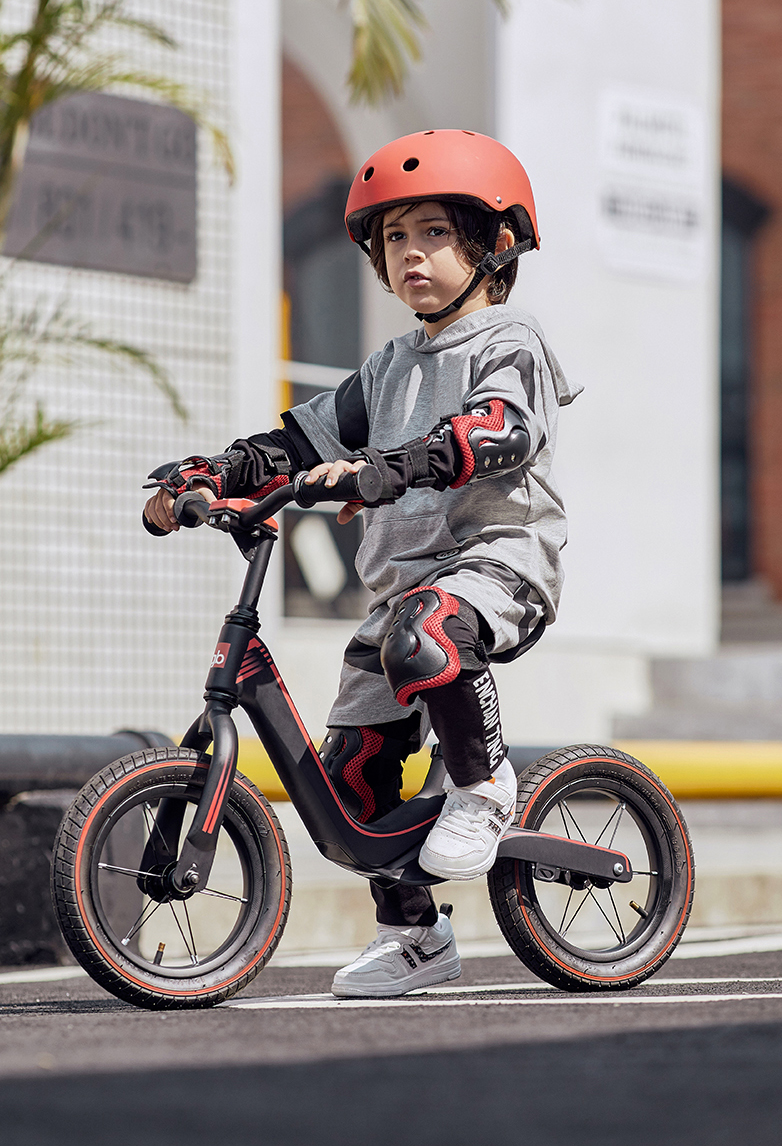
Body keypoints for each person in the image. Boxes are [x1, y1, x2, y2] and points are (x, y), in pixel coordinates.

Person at [143, 129, 581, 999]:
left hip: (498, 562)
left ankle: (484, 784)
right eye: (393, 239)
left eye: (433, 234)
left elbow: (501, 430)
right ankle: (415, 937)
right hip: (400, 596)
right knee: (350, 790)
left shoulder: (510, 340)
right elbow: (292, 441)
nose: (410, 254)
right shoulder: (388, 368)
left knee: (429, 635)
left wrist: (394, 467)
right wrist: (204, 474)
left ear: (495, 245)